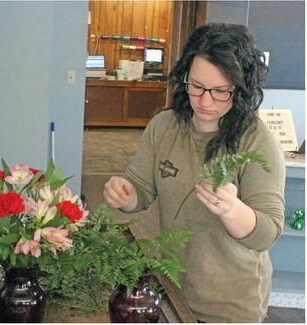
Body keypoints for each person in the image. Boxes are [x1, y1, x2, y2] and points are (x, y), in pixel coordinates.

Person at [103, 23, 285, 323]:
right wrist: (123, 193)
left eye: (220, 92)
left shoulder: (256, 141)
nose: (204, 101)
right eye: (196, 86)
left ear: (240, 89)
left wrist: (231, 210)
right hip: (169, 290)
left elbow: (266, 233)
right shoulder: (165, 126)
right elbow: (140, 190)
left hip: (229, 304)